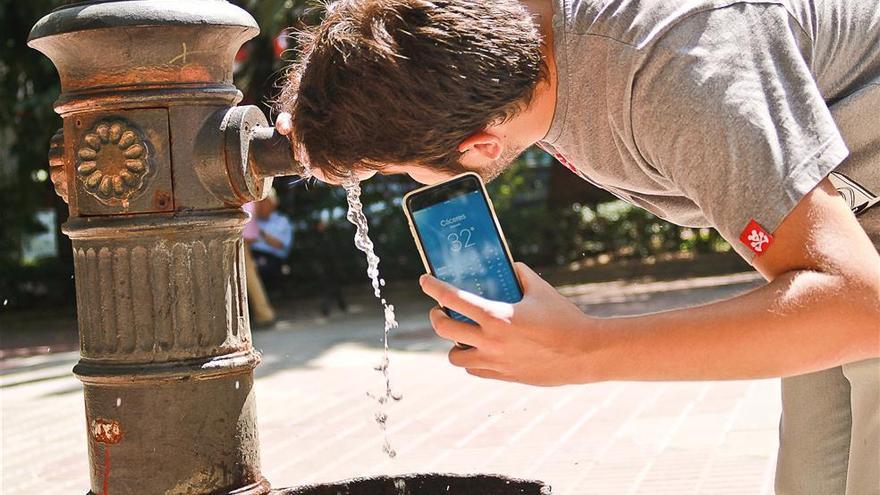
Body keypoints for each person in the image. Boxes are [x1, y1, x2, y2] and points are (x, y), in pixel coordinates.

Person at [274, 1, 880, 493]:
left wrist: (585, 350)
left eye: (397, 168)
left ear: (482, 148)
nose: (401, 178)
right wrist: (330, 110)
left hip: (853, 266)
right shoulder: (499, 41)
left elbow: (860, 308)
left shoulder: (675, 77)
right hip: (839, 236)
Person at [250, 188, 294, 292]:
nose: (260, 206)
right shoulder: (253, 220)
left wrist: (259, 233)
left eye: (264, 202)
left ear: (273, 203)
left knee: (257, 267)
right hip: (252, 255)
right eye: (258, 203)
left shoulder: (282, 221)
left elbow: (280, 245)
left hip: (272, 258)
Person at [242, 201, 277, 327]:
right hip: (241, 237)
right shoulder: (250, 200)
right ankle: (264, 313)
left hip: (239, 237)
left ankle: (264, 314)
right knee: (249, 275)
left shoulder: (249, 202)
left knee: (249, 276)